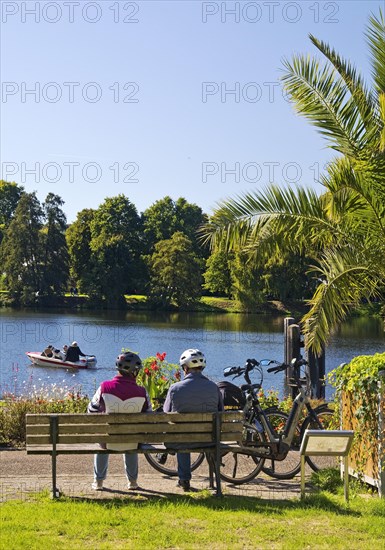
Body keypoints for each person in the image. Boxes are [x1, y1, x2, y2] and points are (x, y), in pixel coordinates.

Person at [87, 352, 152, 491]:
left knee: (102, 438)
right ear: (135, 371)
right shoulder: (142, 392)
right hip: (133, 440)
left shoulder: (105, 387)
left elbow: (91, 411)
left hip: (107, 440)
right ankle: (132, 482)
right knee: (132, 437)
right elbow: (149, 416)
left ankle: (98, 482)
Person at [163, 348, 224, 491]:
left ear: (185, 368)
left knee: (182, 436)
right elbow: (221, 412)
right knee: (184, 435)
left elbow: (166, 413)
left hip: (181, 440)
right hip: (210, 439)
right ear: (202, 368)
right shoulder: (214, 387)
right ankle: (216, 485)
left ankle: (184, 480)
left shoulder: (174, 388)